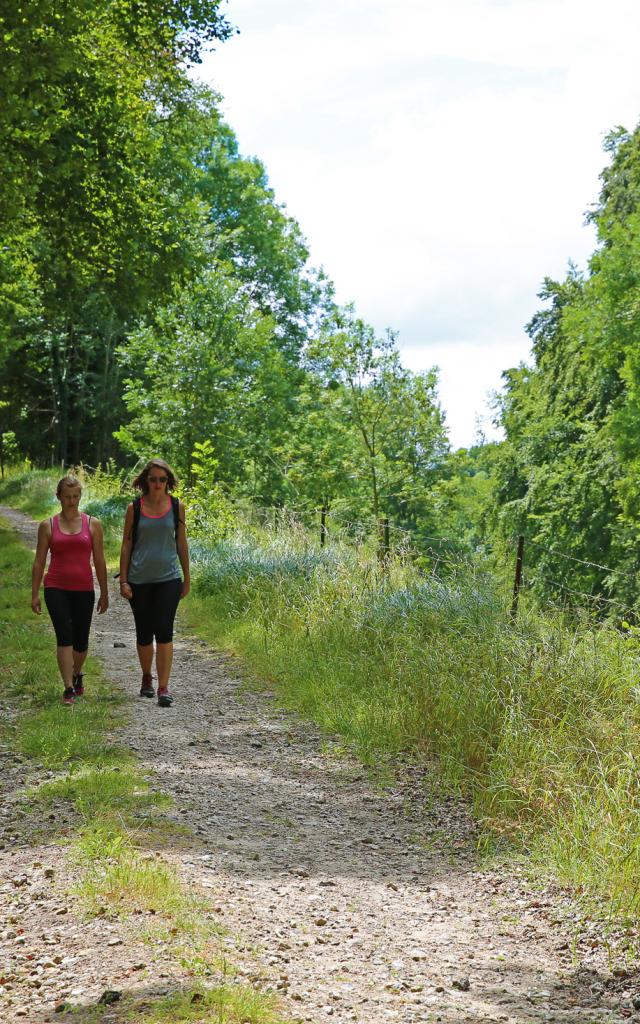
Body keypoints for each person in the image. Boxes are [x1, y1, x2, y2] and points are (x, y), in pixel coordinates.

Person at [32, 475, 109, 705]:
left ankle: (76, 673)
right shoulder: (48, 525)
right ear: (58, 497)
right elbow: (38, 562)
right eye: (67, 497)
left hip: (83, 588)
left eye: (75, 496)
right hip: (56, 587)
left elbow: (100, 560)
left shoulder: (92, 524)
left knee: (81, 641)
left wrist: (104, 592)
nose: (72, 501)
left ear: (80, 497)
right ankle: (68, 687)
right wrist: (35, 593)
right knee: (64, 636)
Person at [118, 458, 190, 708]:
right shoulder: (134, 508)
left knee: (164, 630)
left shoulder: (177, 506)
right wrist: (123, 579)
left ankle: (164, 687)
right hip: (139, 579)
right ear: (145, 481)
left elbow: (181, 543)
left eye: (162, 479)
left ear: (168, 482)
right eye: (153, 479)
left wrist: (187, 577)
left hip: (169, 578)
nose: (158, 484)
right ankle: (146, 676)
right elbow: (127, 544)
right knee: (144, 631)